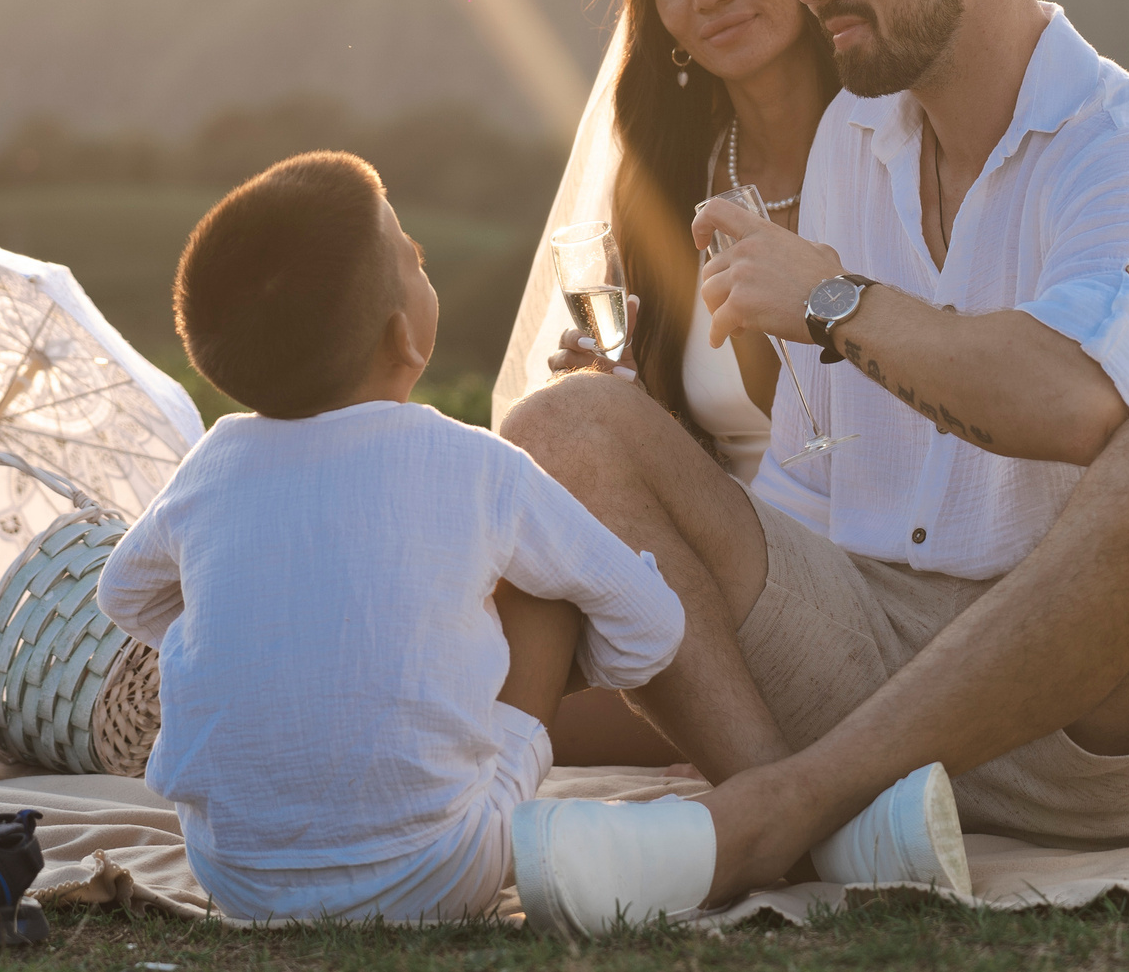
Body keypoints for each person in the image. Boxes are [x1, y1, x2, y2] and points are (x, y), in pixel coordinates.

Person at [501, 0, 1129, 932]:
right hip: (874, 663)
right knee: (561, 425)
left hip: (1107, 722)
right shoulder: (852, 143)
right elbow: (808, 484)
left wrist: (831, 297)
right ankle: (818, 810)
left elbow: (1075, 401)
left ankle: (773, 812)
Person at [96, 151, 687, 923]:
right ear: (404, 335)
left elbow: (123, 592)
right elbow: (653, 629)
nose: (423, 260)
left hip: (232, 869)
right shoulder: (475, 465)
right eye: (417, 257)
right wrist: (521, 662)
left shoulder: (216, 461)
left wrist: (267, 622)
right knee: (550, 594)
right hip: (436, 871)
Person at [519, 0, 843, 770]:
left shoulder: (896, 156)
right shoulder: (671, 181)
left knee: (479, 710)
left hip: (857, 577)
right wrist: (620, 403)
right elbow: (674, 434)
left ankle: (772, 796)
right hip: (699, 573)